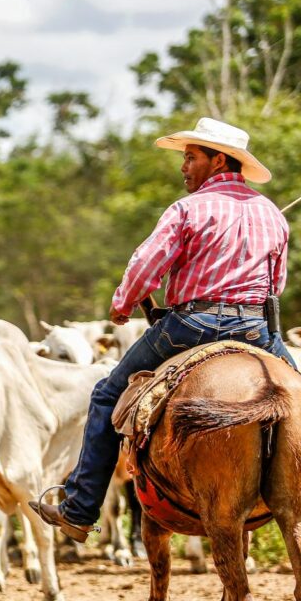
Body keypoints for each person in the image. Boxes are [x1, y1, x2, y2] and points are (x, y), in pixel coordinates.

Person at [31, 117, 297, 541]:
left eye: (191, 157)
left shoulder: (187, 209)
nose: (183, 166)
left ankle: (80, 510)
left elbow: (145, 267)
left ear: (219, 160)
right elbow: (276, 284)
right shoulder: (271, 214)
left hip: (191, 325)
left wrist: (121, 305)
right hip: (255, 330)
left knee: (105, 395)